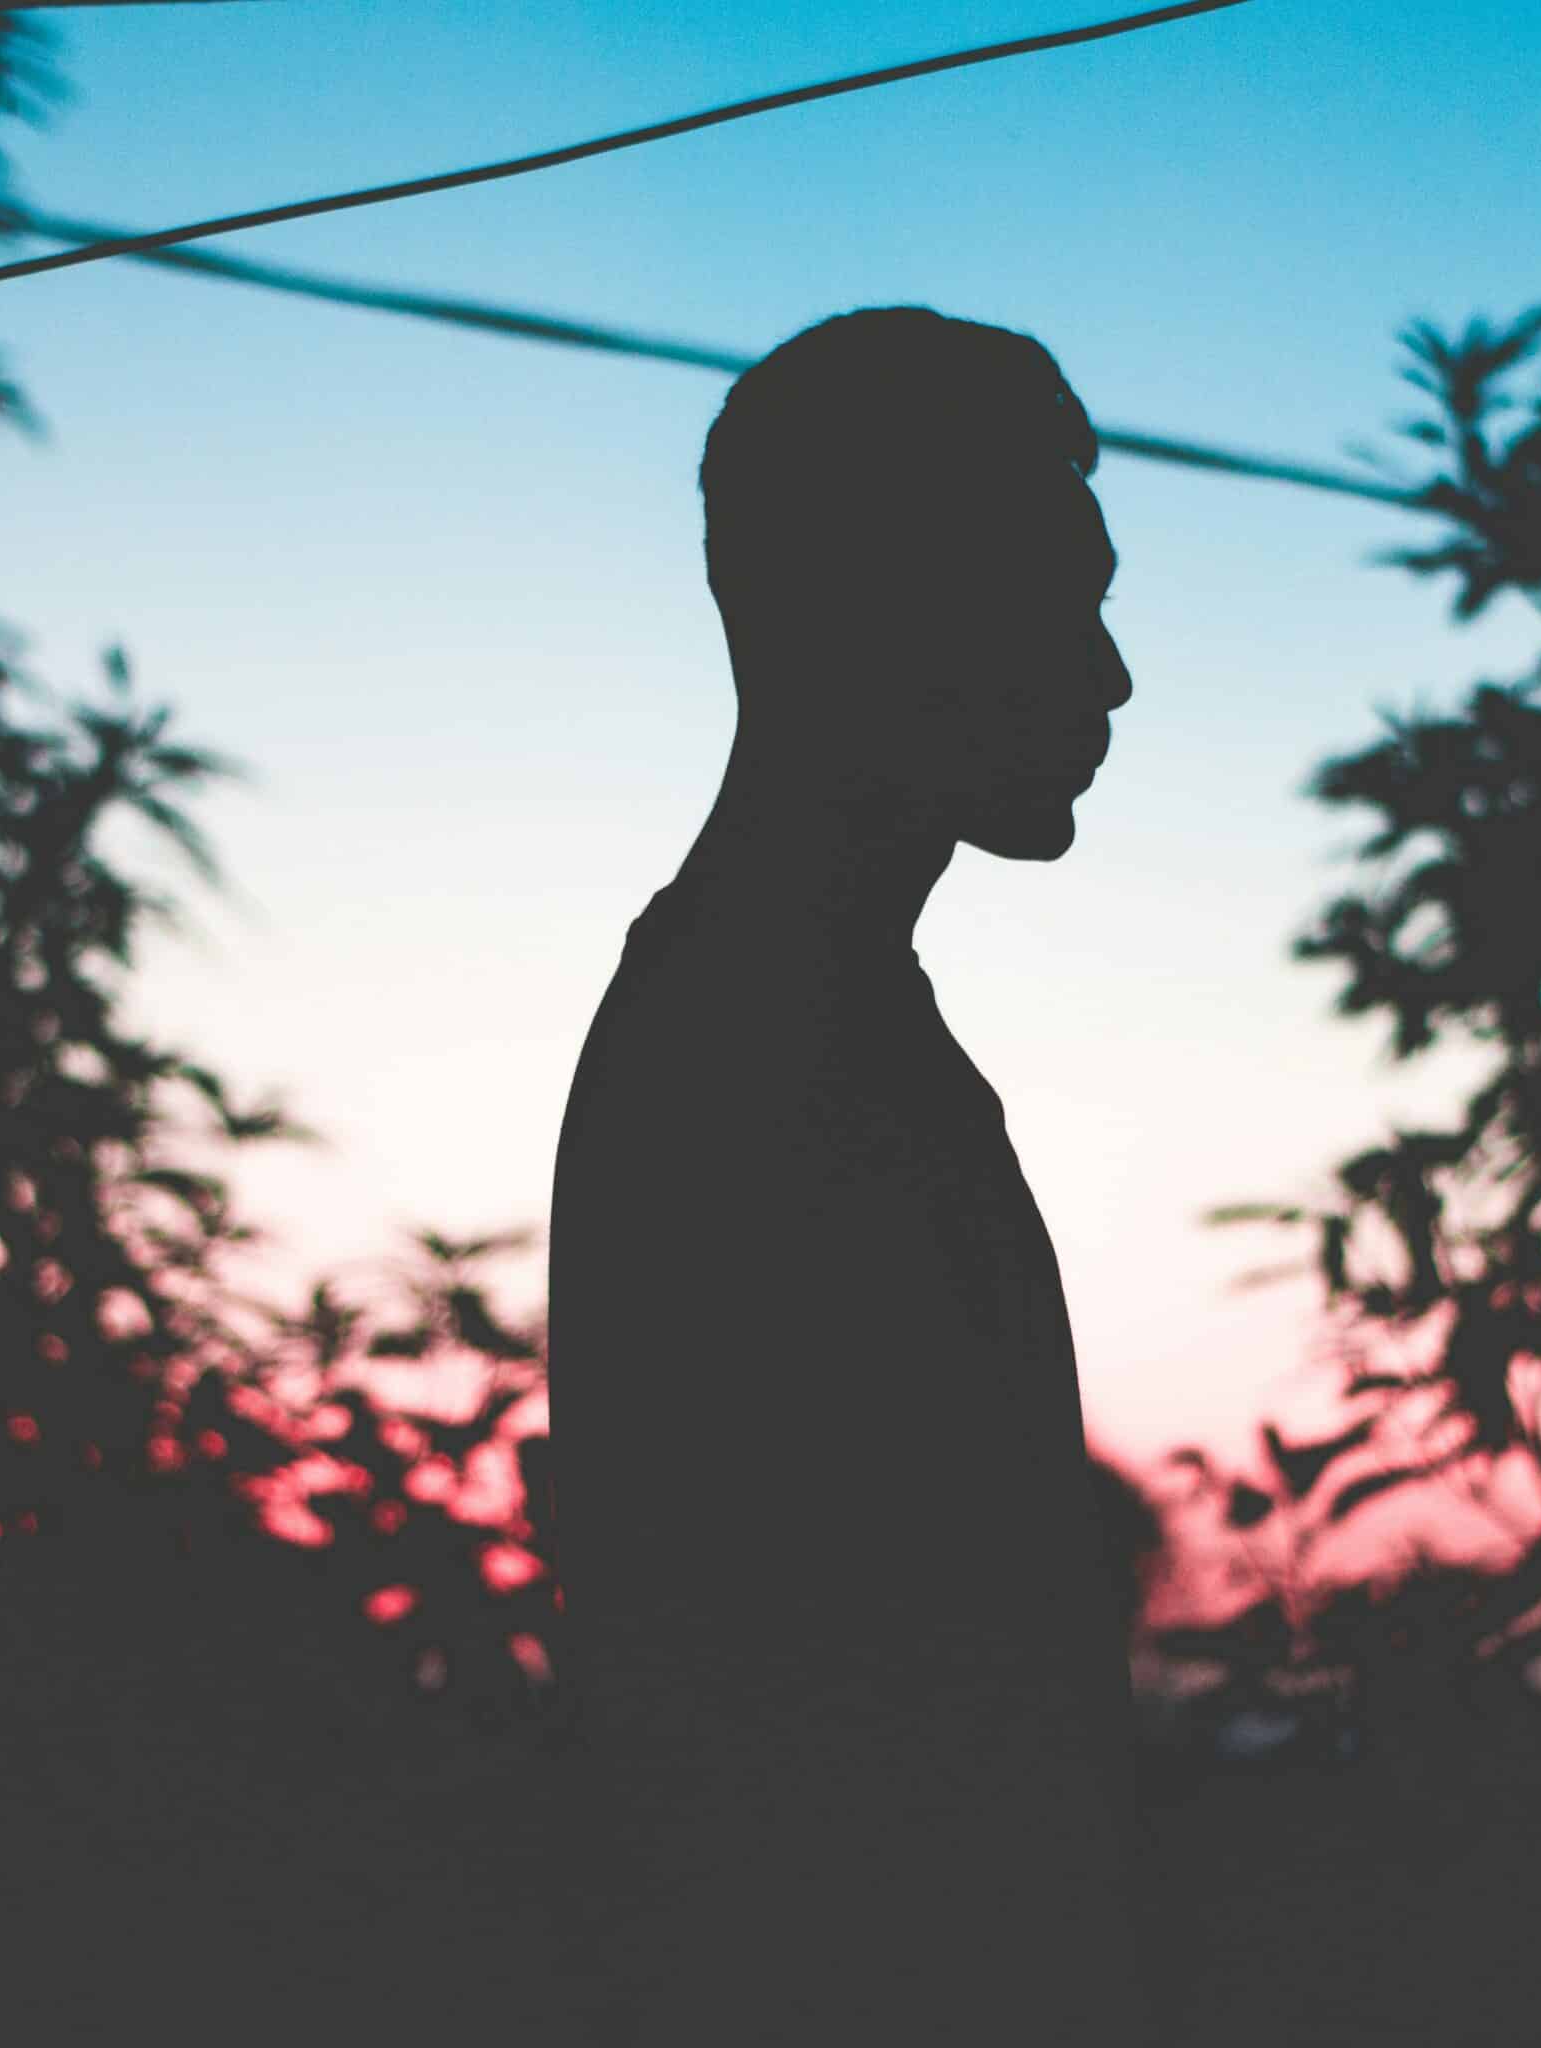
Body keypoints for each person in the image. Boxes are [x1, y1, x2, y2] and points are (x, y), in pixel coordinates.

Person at [544, 306, 1161, 2045]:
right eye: (1060, 596)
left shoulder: (786, 1020)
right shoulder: (768, 1050)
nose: (1108, 675)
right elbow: (816, 1728)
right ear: (872, 607)